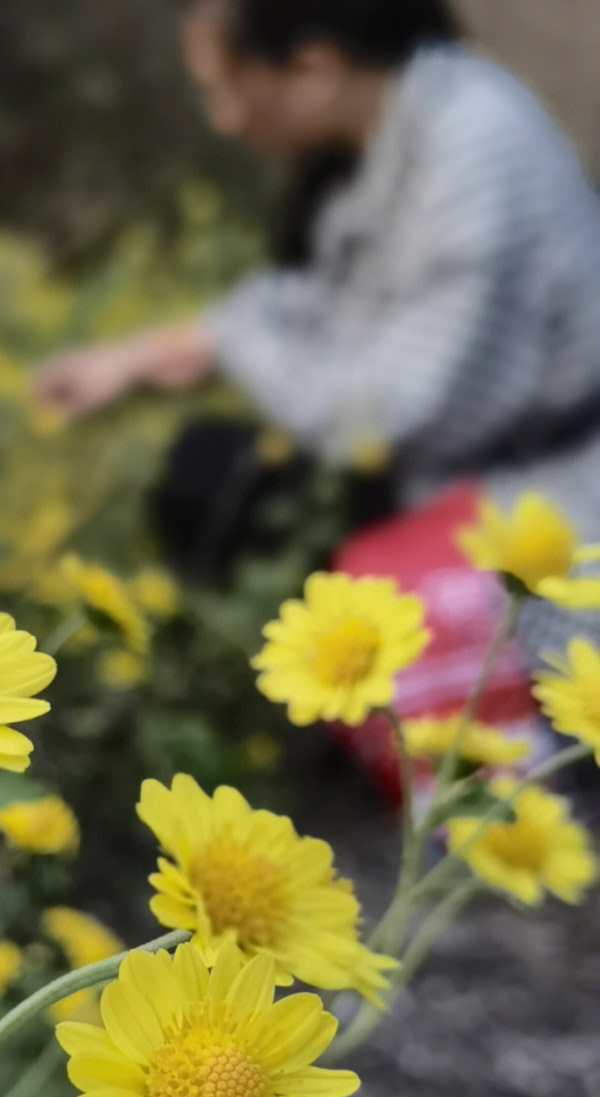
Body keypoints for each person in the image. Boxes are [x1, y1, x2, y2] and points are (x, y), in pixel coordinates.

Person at [33, 0, 600, 653]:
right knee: (214, 473)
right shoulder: (403, 124)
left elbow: (378, 418)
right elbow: (332, 304)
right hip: (467, 473)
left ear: (314, 69)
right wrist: (153, 352)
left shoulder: (476, 146)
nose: (225, 122)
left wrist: (231, 341)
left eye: (224, 91)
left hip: (553, 516)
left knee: (225, 492)